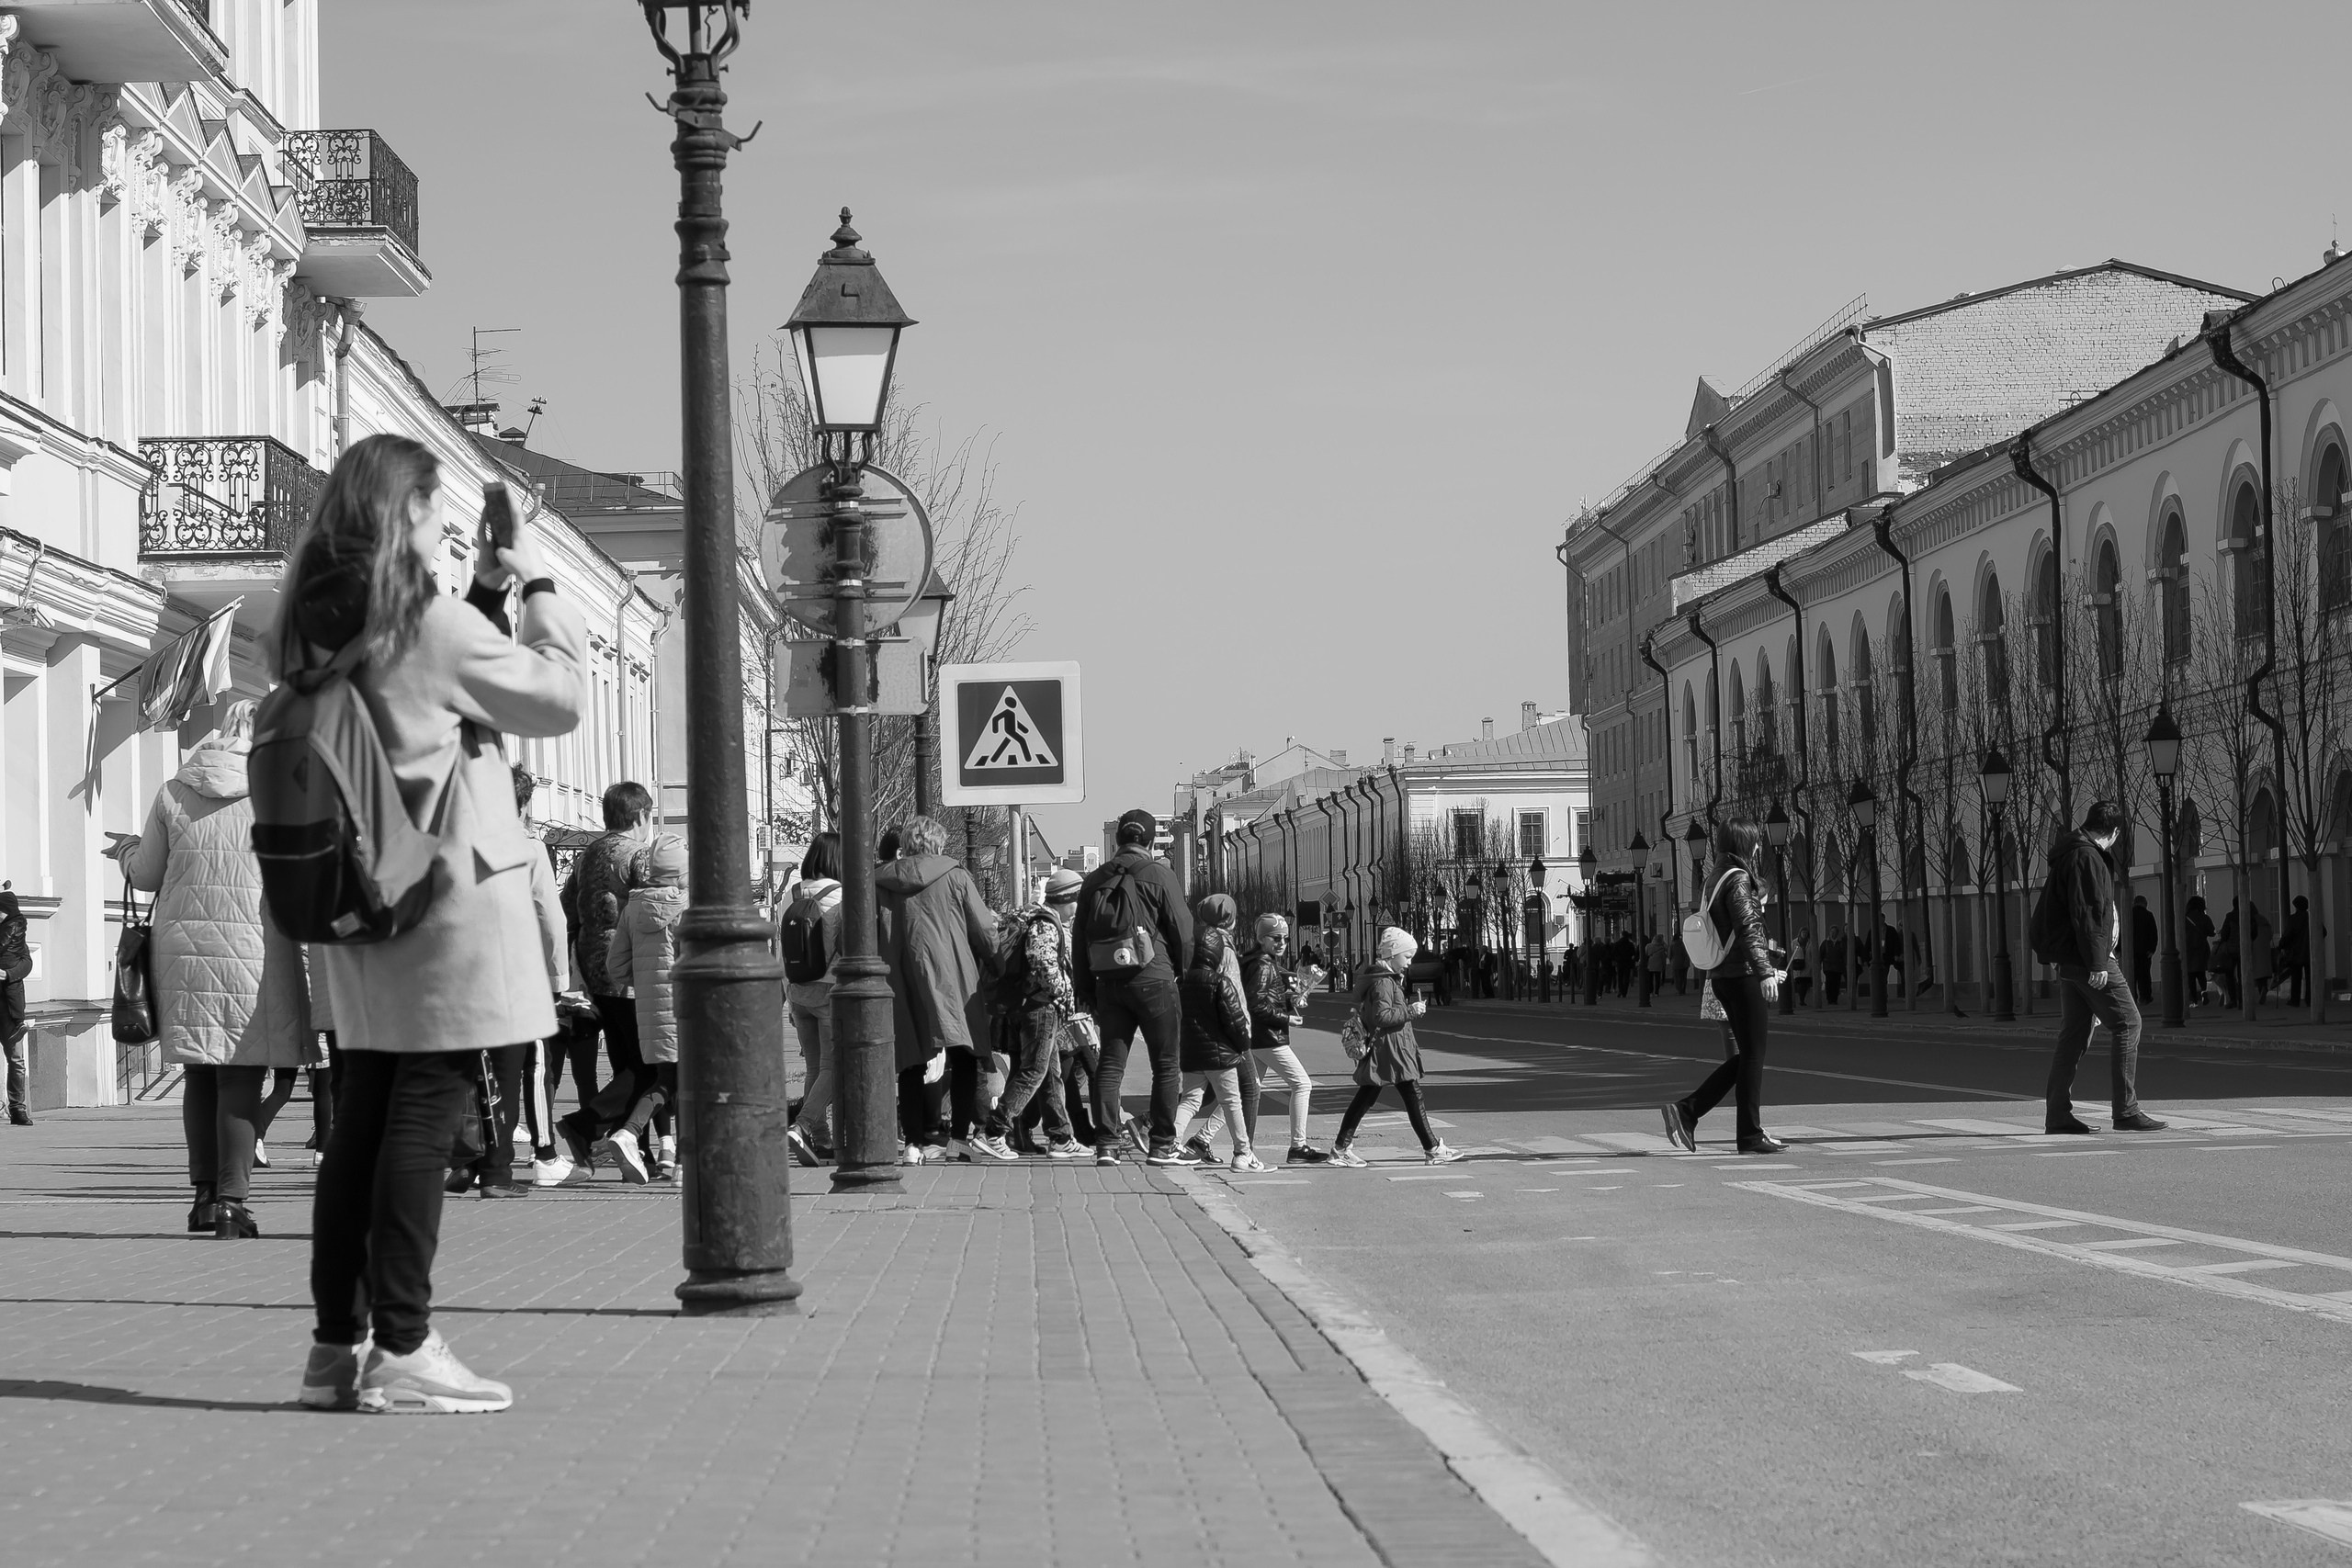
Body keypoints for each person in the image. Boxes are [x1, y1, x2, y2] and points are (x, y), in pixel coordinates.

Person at [288, 433, 584, 1415]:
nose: (441, 527)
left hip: (363, 896)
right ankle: (406, 1347)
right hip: (445, 898)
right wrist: (534, 580)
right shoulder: (428, 623)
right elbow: (554, 698)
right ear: (405, 512)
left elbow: (430, 713)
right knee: (427, 1112)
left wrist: (484, 596)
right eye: (433, 510)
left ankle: (339, 1344)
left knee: (365, 1118)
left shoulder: (314, 621)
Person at [118, 700, 313, 1238]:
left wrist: (126, 853)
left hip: (182, 951)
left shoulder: (174, 789)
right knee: (243, 1074)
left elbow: (148, 874)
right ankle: (232, 1199)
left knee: (200, 1073)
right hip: (257, 948)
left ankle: (203, 1198)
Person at [451, 761, 573, 1196]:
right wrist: (558, 978)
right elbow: (549, 917)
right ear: (520, 804)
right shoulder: (529, 849)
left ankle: (464, 1159)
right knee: (506, 1072)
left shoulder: (455, 844)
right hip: (514, 975)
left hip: (462, 974)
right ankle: (497, 1174)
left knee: (467, 1070)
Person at [2032, 800, 2165, 1136]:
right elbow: (2089, 911)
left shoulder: (2070, 852)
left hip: (2072, 959)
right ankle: (2126, 1110)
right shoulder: (2087, 857)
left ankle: (2058, 1114)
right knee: (2128, 1023)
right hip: (2090, 959)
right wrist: (2097, 962)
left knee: (2073, 1035)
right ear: (2115, 832)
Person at [1072, 808, 1193, 1168]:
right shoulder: (1159, 874)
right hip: (1154, 979)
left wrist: (1086, 990)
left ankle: (1106, 1145)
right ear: (1151, 841)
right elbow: (1183, 929)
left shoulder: (1095, 880)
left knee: (1110, 1064)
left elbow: (1080, 939)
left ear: (1118, 839)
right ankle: (1161, 1145)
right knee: (1167, 1065)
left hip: (1109, 982)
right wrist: (1181, 974)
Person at [1659, 820, 1786, 1156]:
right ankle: (1725, 1125)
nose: (1759, 849)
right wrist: (1765, 972)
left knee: (1747, 1057)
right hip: (1743, 976)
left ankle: (1716, 1122)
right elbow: (1748, 928)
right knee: (1754, 1056)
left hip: (1721, 977)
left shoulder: (1714, 878)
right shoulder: (1739, 879)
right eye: (1756, 843)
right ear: (1746, 845)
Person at [876, 816, 998, 1164]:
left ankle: (913, 1142)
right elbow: (984, 929)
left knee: (910, 1061)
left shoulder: (882, 881)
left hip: (900, 977)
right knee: (964, 1055)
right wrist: (998, 963)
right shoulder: (955, 876)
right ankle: (958, 1141)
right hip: (953, 977)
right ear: (939, 845)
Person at [553, 783, 657, 1172]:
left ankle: (635, 1146)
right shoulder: (638, 856)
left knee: (623, 1060)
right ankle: (586, 1126)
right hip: (631, 969)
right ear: (640, 816)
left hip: (593, 970)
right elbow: (654, 908)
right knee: (649, 1064)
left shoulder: (587, 855)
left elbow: (567, 908)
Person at [967, 866, 1086, 1162]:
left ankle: (1060, 1136)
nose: (1078, 908)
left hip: (1035, 1006)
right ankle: (994, 1131)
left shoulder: (1041, 918)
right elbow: (1042, 963)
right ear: (1067, 898)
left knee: (1050, 1075)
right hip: (1041, 1007)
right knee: (1033, 1072)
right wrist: (1066, 993)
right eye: (1077, 900)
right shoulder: (1046, 923)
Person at [1327, 926, 1459, 1167]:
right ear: (1392, 954)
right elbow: (1382, 1017)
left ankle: (1341, 1147)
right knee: (1409, 1095)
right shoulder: (1384, 983)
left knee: (1371, 1096)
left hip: (1389, 1050)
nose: (1409, 963)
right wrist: (1411, 1010)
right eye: (1406, 957)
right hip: (1390, 1050)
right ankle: (1432, 1148)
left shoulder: (1383, 979)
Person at [605, 834, 687, 1182]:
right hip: (685, 1007)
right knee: (685, 1081)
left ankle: (650, 1145)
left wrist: (647, 981)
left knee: (668, 1078)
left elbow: (615, 966)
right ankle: (667, 1152)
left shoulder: (633, 907)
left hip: (650, 1010)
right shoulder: (686, 906)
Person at [1174, 923, 1263, 1170]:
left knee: (1190, 1100)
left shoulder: (1182, 982)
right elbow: (1235, 1021)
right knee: (1232, 1102)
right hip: (1221, 1055)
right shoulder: (1220, 983)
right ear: (1216, 953)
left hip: (1192, 1054)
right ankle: (1242, 1153)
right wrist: (1242, 1046)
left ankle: (1171, 1142)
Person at [1244, 913, 1329, 1164]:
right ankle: (1298, 1147)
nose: (1281, 943)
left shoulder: (1260, 962)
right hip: (1268, 1036)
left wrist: (1289, 1000)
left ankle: (1202, 1139)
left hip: (1259, 1037)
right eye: (1275, 938)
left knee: (1248, 1091)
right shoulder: (1263, 965)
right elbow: (1256, 1004)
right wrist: (1286, 1018)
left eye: (1285, 938)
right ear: (1261, 939)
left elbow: (1266, 1000)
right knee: (1302, 1084)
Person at [781, 833, 844, 1168]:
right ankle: (803, 1126)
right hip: (829, 990)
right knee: (835, 1067)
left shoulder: (789, 894)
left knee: (814, 1067)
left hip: (797, 990)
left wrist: (788, 994)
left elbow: (781, 948)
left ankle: (820, 1140)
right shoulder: (841, 896)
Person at [0, 885, 29, 1124]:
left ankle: (18, 1109)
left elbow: (27, 963)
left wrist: (8, 974)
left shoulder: (16, 938)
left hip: (10, 1005)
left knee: (16, 1060)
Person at [2280, 896, 2315, 1009]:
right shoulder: (2312, 918)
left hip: (2295, 952)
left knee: (2296, 977)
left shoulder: (2292, 919)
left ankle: (2295, 999)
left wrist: (2281, 945)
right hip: (2310, 952)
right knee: (2310, 977)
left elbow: (2287, 935)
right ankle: (2310, 999)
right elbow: (2323, 931)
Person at [2182, 894, 2214, 1007]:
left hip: (2188, 948)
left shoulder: (2184, 918)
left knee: (2190, 975)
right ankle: (2204, 992)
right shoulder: (2204, 917)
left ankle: (2194, 1000)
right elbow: (2211, 931)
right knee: (2201, 973)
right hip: (2201, 948)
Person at [2213, 900, 2242, 1011]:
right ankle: (2243, 1000)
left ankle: (2233, 1000)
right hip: (2244, 948)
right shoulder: (2248, 914)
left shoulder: (2230, 916)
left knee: (2230, 975)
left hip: (2231, 949)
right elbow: (2254, 931)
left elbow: (2225, 934)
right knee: (2242, 975)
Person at [2130, 895, 2158, 1005]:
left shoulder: (2127, 914)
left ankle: (2132, 997)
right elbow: (2153, 933)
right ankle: (2145, 997)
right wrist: (2152, 949)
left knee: (2132, 975)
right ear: (2144, 903)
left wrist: (2119, 949)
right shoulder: (2148, 915)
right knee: (2145, 975)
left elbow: (2121, 931)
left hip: (2130, 951)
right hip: (2144, 951)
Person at [1821, 924, 1847, 1006]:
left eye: (1834, 932)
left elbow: (1844, 954)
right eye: (1831, 932)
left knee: (1836, 983)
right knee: (1829, 982)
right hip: (1828, 966)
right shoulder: (1825, 943)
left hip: (1838, 967)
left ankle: (1834, 999)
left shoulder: (1840, 943)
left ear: (1837, 933)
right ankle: (1829, 998)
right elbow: (1821, 954)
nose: (1832, 934)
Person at [1788, 926, 1813, 1006]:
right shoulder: (1794, 942)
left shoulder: (1810, 942)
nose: (1804, 934)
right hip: (1798, 965)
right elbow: (1791, 953)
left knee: (1806, 983)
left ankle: (1803, 999)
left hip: (1808, 965)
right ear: (1800, 933)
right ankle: (1801, 1000)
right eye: (1803, 933)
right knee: (1800, 982)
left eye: (1806, 933)